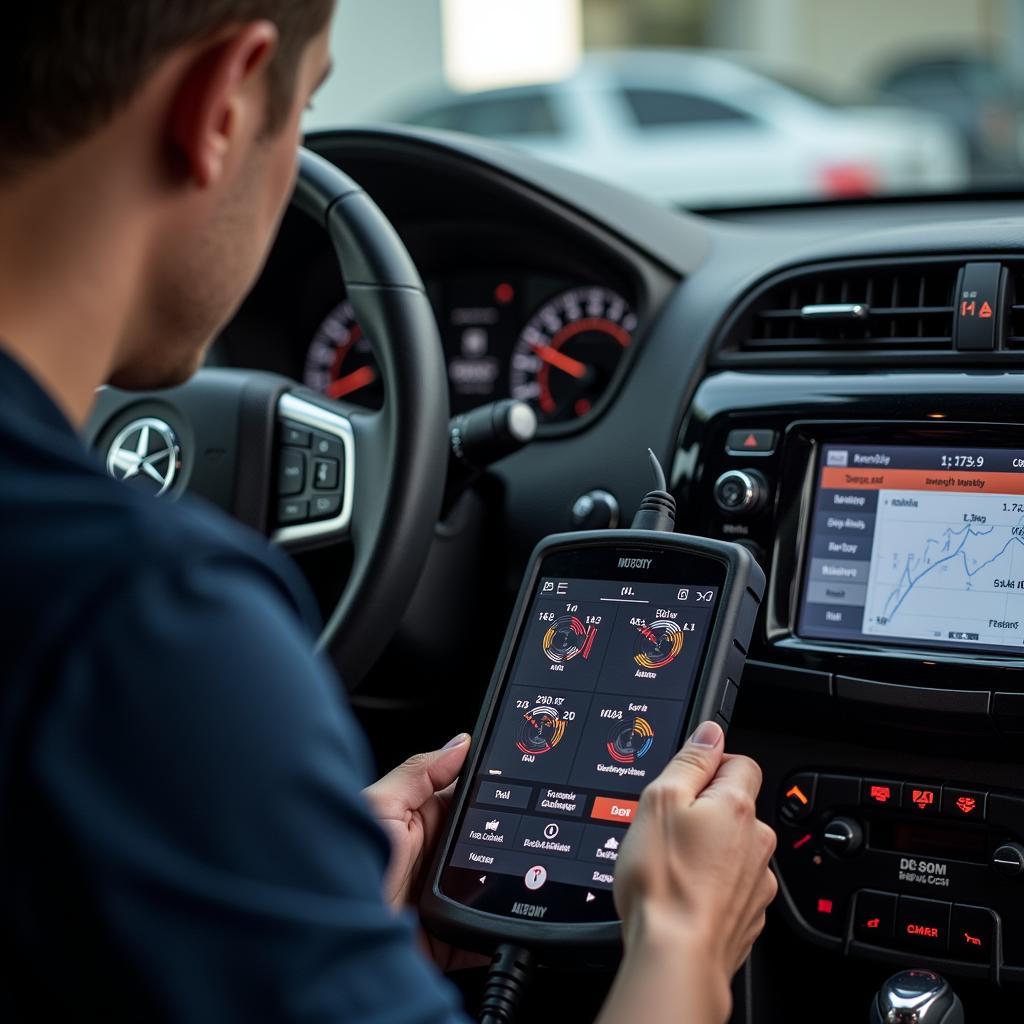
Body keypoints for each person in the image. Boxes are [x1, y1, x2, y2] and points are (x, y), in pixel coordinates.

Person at [0, 4, 778, 1023]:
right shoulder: (149, 626)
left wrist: (305, 891)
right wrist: (681, 944)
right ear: (223, 102)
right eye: (306, 105)